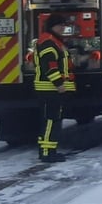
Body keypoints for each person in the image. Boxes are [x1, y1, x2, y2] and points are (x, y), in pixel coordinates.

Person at [34, 14, 75, 162]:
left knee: (53, 120)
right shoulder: (48, 43)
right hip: (50, 90)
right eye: (61, 25)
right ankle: (47, 152)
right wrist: (59, 84)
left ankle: (49, 150)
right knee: (51, 120)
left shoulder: (55, 42)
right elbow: (49, 67)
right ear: (53, 26)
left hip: (51, 90)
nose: (63, 28)